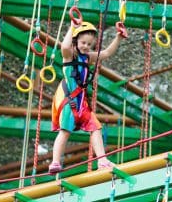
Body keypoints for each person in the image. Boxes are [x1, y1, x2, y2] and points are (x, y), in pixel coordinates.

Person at [49, 21, 126, 173]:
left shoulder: (87, 57)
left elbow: (106, 53)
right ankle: (55, 162)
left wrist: (119, 37)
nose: (85, 46)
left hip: (82, 105)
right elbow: (64, 46)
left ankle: (102, 160)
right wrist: (72, 27)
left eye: (89, 44)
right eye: (83, 42)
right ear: (76, 40)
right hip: (69, 102)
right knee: (65, 131)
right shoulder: (69, 55)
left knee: (96, 127)